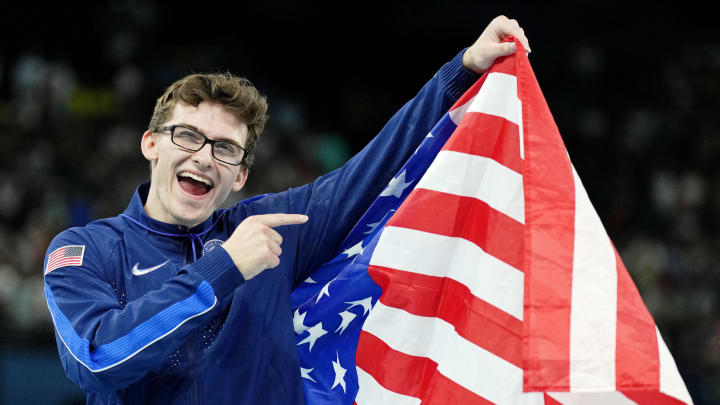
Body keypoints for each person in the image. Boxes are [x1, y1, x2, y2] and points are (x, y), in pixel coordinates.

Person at [43, 16, 530, 404]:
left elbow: (372, 169)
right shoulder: (86, 251)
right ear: (151, 144)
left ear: (240, 176)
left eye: (225, 149)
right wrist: (225, 267)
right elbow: (96, 359)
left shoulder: (274, 229)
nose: (204, 157)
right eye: (188, 136)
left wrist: (461, 70)